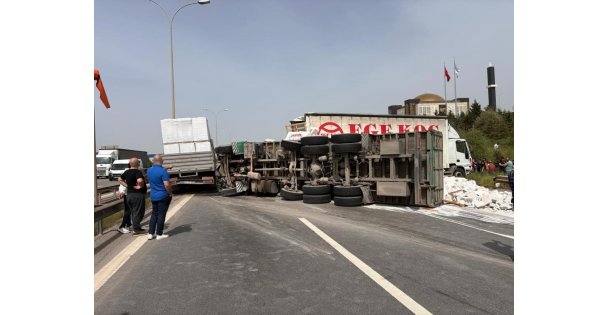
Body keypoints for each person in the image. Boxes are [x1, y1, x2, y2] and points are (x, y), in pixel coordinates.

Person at [118, 158, 147, 236]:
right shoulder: (137, 172)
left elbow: (120, 179)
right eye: (138, 163)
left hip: (129, 195)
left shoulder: (126, 172)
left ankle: (137, 227)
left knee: (134, 212)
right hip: (137, 195)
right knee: (138, 212)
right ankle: (136, 230)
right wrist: (140, 186)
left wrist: (128, 186)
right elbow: (140, 180)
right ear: (137, 164)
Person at [146, 154, 173, 240]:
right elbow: (167, 185)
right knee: (161, 215)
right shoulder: (163, 171)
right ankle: (159, 234)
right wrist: (170, 193)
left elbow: (157, 169)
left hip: (153, 196)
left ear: (153, 161)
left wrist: (166, 167)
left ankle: (150, 233)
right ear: (161, 161)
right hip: (163, 196)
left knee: (154, 214)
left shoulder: (149, 171)